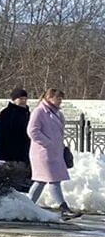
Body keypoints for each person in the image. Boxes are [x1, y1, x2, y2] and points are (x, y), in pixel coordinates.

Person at [27, 88, 78, 218]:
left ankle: (27, 206)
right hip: (43, 153)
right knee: (53, 180)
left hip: (53, 153)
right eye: (58, 98)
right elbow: (32, 131)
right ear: (49, 98)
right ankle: (64, 208)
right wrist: (48, 142)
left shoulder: (56, 113)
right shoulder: (39, 112)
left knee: (41, 181)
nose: (60, 101)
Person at [0, 89, 31, 167]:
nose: (24, 101)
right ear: (14, 99)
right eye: (21, 99)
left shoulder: (27, 113)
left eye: (25, 99)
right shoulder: (7, 113)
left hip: (25, 151)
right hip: (10, 152)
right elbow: (2, 134)